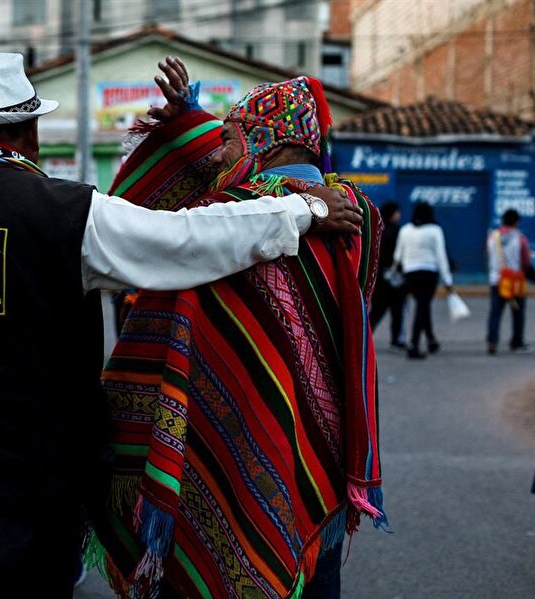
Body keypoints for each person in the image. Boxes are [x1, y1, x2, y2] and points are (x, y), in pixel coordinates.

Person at [0, 52, 363, 598]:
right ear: (27, 131)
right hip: (32, 487)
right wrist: (301, 210)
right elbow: (185, 240)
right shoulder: (68, 212)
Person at [89, 59, 386, 599]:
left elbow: (156, 214)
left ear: (264, 142)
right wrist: (192, 119)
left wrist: (184, 129)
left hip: (222, 436)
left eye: (228, 138)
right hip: (321, 455)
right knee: (312, 578)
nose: (218, 152)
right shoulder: (358, 213)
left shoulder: (230, 209)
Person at [393, 202, 454, 359]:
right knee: (422, 305)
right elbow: (441, 255)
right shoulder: (435, 230)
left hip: (410, 273)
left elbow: (397, 256)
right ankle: (414, 344)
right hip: (428, 273)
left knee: (422, 305)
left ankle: (431, 339)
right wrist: (447, 279)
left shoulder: (405, 230)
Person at [486, 209, 535, 354]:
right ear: (516, 222)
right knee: (518, 313)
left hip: (497, 281)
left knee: (495, 312)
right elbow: (525, 261)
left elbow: (488, 255)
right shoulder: (520, 239)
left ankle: (492, 341)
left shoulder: (492, 237)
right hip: (514, 282)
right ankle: (516, 342)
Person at [370, 202, 407, 350]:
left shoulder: (377, 229)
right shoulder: (398, 231)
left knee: (378, 309)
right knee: (397, 310)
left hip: (379, 275)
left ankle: (366, 335)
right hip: (395, 275)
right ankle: (396, 339)